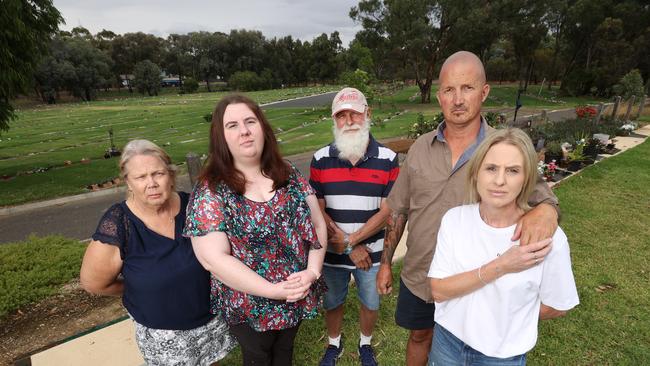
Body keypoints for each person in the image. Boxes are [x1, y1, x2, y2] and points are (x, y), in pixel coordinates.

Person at [376, 51, 561, 366]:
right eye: (449, 90)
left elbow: (543, 198)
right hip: (420, 274)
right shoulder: (421, 147)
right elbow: (399, 209)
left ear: (484, 92)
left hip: (473, 281)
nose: (458, 99)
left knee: (463, 349)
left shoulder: (501, 150)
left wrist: (547, 211)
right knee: (419, 336)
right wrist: (385, 263)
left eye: (467, 88)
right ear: (439, 97)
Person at [184, 94, 328, 366]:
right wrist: (274, 291)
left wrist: (312, 272)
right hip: (249, 306)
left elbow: (317, 224)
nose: (245, 131)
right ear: (221, 137)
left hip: (296, 293)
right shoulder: (211, 191)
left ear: (263, 127)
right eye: (233, 125)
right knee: (258, 357)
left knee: (285, 351)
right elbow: (213, 259)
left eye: (250, 121)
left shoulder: (288, 174)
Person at [428, 128, 579, 364]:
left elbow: (557, 306)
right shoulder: (455, 220)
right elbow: (438, 290)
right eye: (491, 168)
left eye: (512, 171)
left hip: (501, 356)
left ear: (527, 178)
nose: (499, 180)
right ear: (476, 173)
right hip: (447, 342)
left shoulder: (550, 238)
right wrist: (502, 265)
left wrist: (510, 320)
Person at [80, 139, 236, 365]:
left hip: (210, 323)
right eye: (140, 177)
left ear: (171, 176)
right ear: (128, 183)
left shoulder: (194, 206)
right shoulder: (119, 223)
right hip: (164, 336)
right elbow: (94, 283)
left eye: (158, 174)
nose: (151, 183)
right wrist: (137, 287)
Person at [310, 88, 399, 366]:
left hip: (370, 253)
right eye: (341, 116)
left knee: (370, 302)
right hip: (333, 252)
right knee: (333, 300)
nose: (348, 121)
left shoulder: (388, 158)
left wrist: (354, 241)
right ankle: (334, 343)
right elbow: (317, 209)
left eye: (354, 113)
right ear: (334, 120)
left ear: (367, 114)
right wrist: (348, 244)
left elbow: (388, 211)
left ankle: (365, 343)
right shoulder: (320, 158)